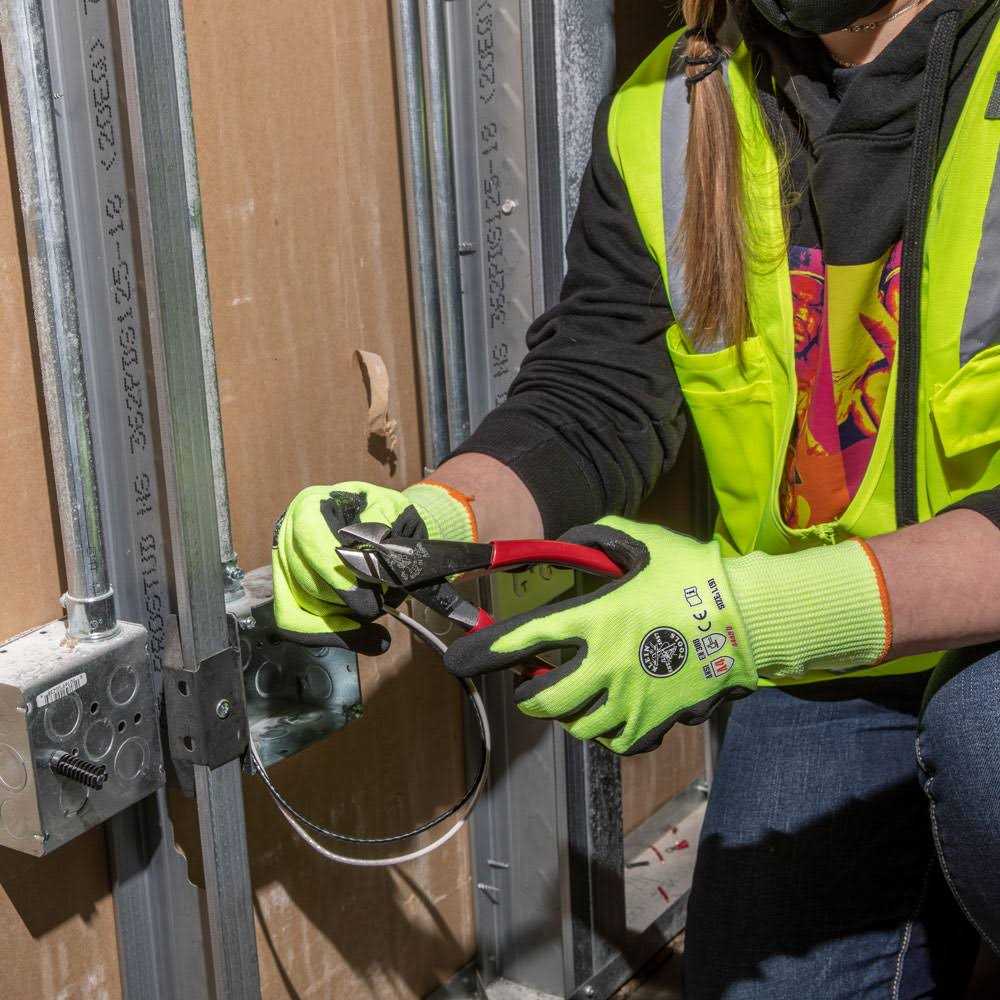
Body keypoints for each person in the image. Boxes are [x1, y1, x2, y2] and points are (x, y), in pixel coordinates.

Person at [271, 0, 1000, 995]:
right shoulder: (675, 106)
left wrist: (742, 618)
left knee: (984, 739)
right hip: (834, 654)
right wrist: (433, 518)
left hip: (896, 629)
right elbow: (596, 393)